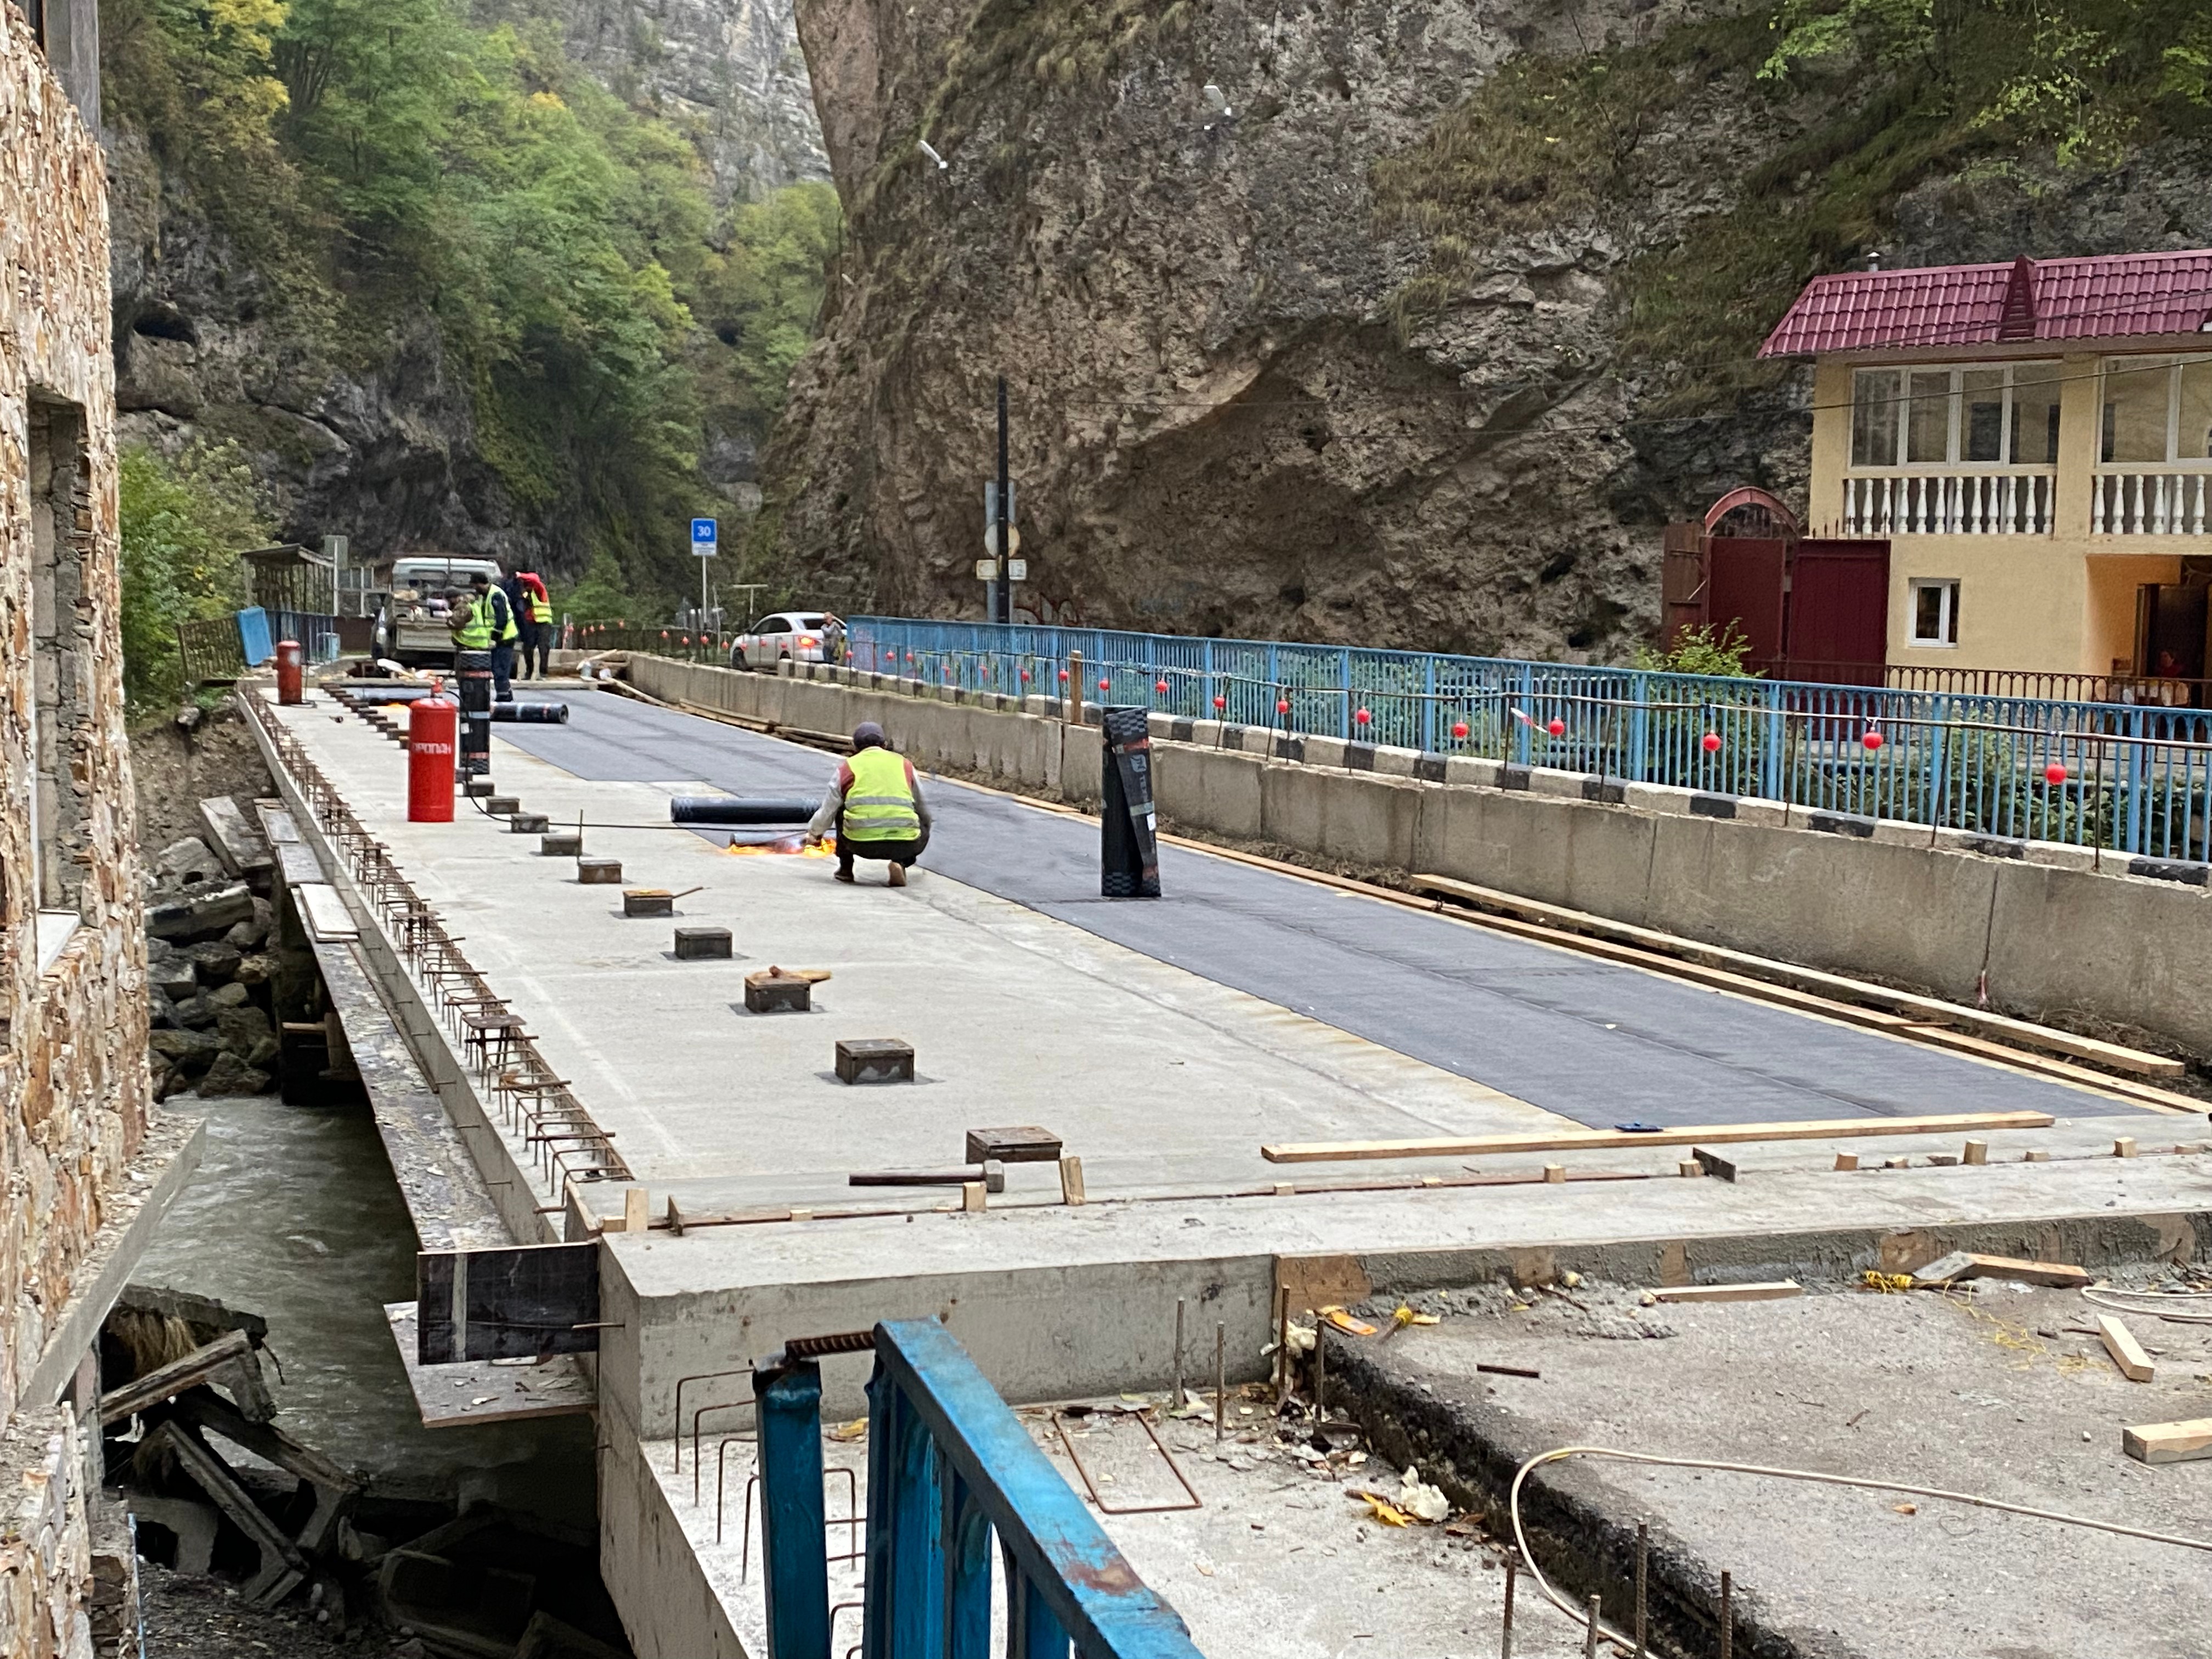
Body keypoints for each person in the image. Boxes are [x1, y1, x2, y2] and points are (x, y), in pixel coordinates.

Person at [805, 722, 930, 885]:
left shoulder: (847, 768)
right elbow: (922, 806)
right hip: (905, 844)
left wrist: (814, 835)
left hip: (860, 845)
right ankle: (900, 862)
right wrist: (925, 826)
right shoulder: (905, 765)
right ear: (885, 745)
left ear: (854, 747)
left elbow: (828, 810)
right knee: (922, 818)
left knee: (841, 807)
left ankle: (846, 869)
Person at [470, 571, 519, 700]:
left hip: (505, 638)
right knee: (496, 668)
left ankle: (504, 696)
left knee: (501, 668)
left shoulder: (496, 595)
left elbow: (501, 619)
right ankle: (505, 694)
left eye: (475, 585)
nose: (474, 589)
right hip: (496, 639)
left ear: (481, 584)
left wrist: (494, 638)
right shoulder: (483, 597)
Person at [506, 568, 551, 679]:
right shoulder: (527, 593)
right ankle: (529, 672)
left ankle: (543, 673)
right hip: (531, 624)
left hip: (543, 623)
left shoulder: (539, 589)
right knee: (527, 648)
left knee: (543, 647)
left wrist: (520, 575)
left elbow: (535, 579)